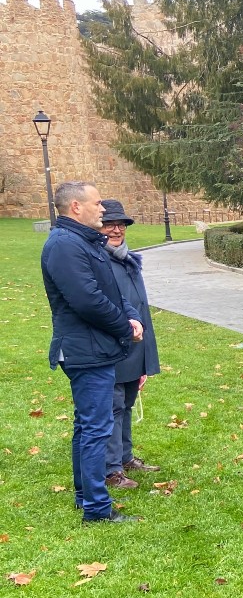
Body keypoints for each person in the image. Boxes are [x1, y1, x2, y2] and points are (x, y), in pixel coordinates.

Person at [42, 181, 144, 523]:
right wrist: (124, 327)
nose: (103, 209)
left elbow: (110, 289)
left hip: (94, 347)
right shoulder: (64, 245)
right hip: (85, 350)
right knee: (96, 428)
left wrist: (130, 314)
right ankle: (97, 508)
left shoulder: (84, 241)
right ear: (76, 206)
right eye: (97, 203)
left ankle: (85, 497)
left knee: (87, 426)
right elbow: (88, 301)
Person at [99, 200, 161, 491]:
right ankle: (111, 469)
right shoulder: (98, 261)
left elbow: (139, 306)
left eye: (121, 225)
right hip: (113, 344)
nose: (116, 230)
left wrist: (145, 354)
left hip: (135, 344)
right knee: (113, 407)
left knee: (126, 403)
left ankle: (124, 458)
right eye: (109, 224)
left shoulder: (128, 259)